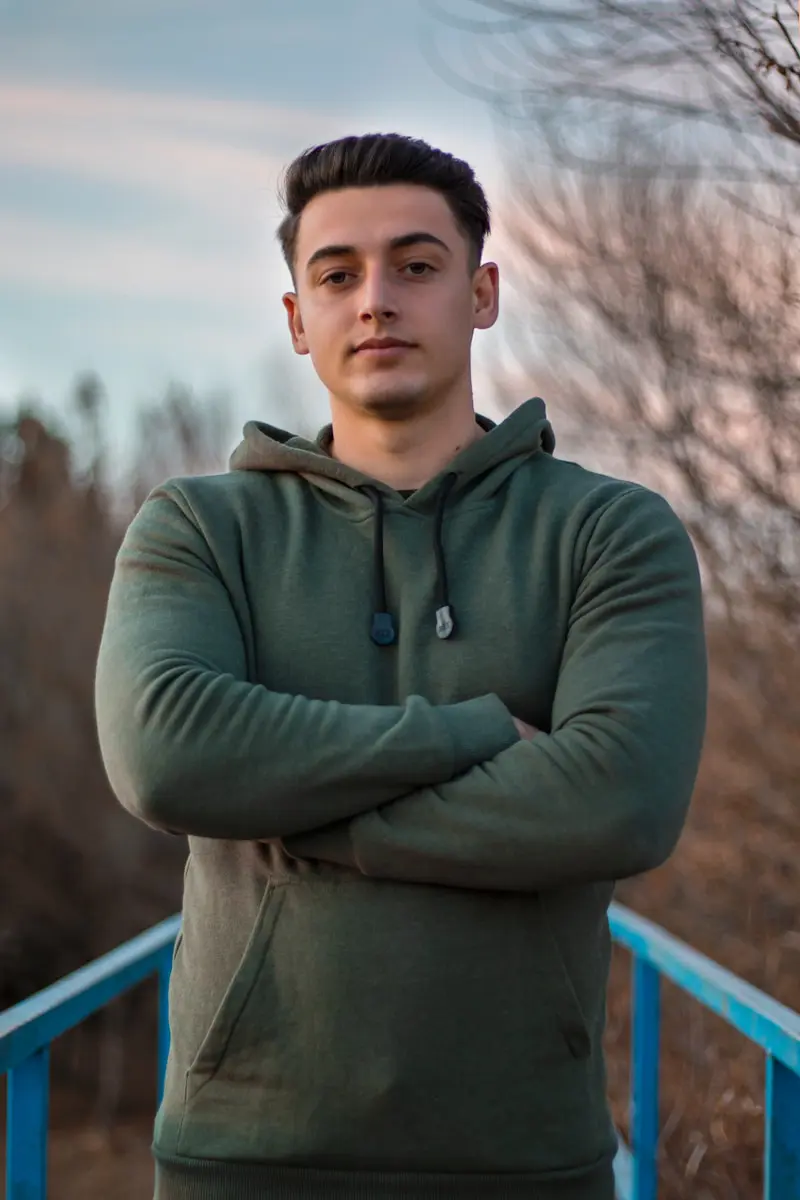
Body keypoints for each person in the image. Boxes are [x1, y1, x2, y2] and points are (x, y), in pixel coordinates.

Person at [95, 132, 707, 1200]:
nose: (374, 298)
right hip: (241, 1161)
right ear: (297, 317)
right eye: (336, 274)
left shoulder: (609, 532)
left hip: (524, 1160)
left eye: (415, 266)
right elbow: (166, 755)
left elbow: (619, 800)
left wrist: (291, 813)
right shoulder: (196, 526)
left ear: (479, 294)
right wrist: (470, 732)